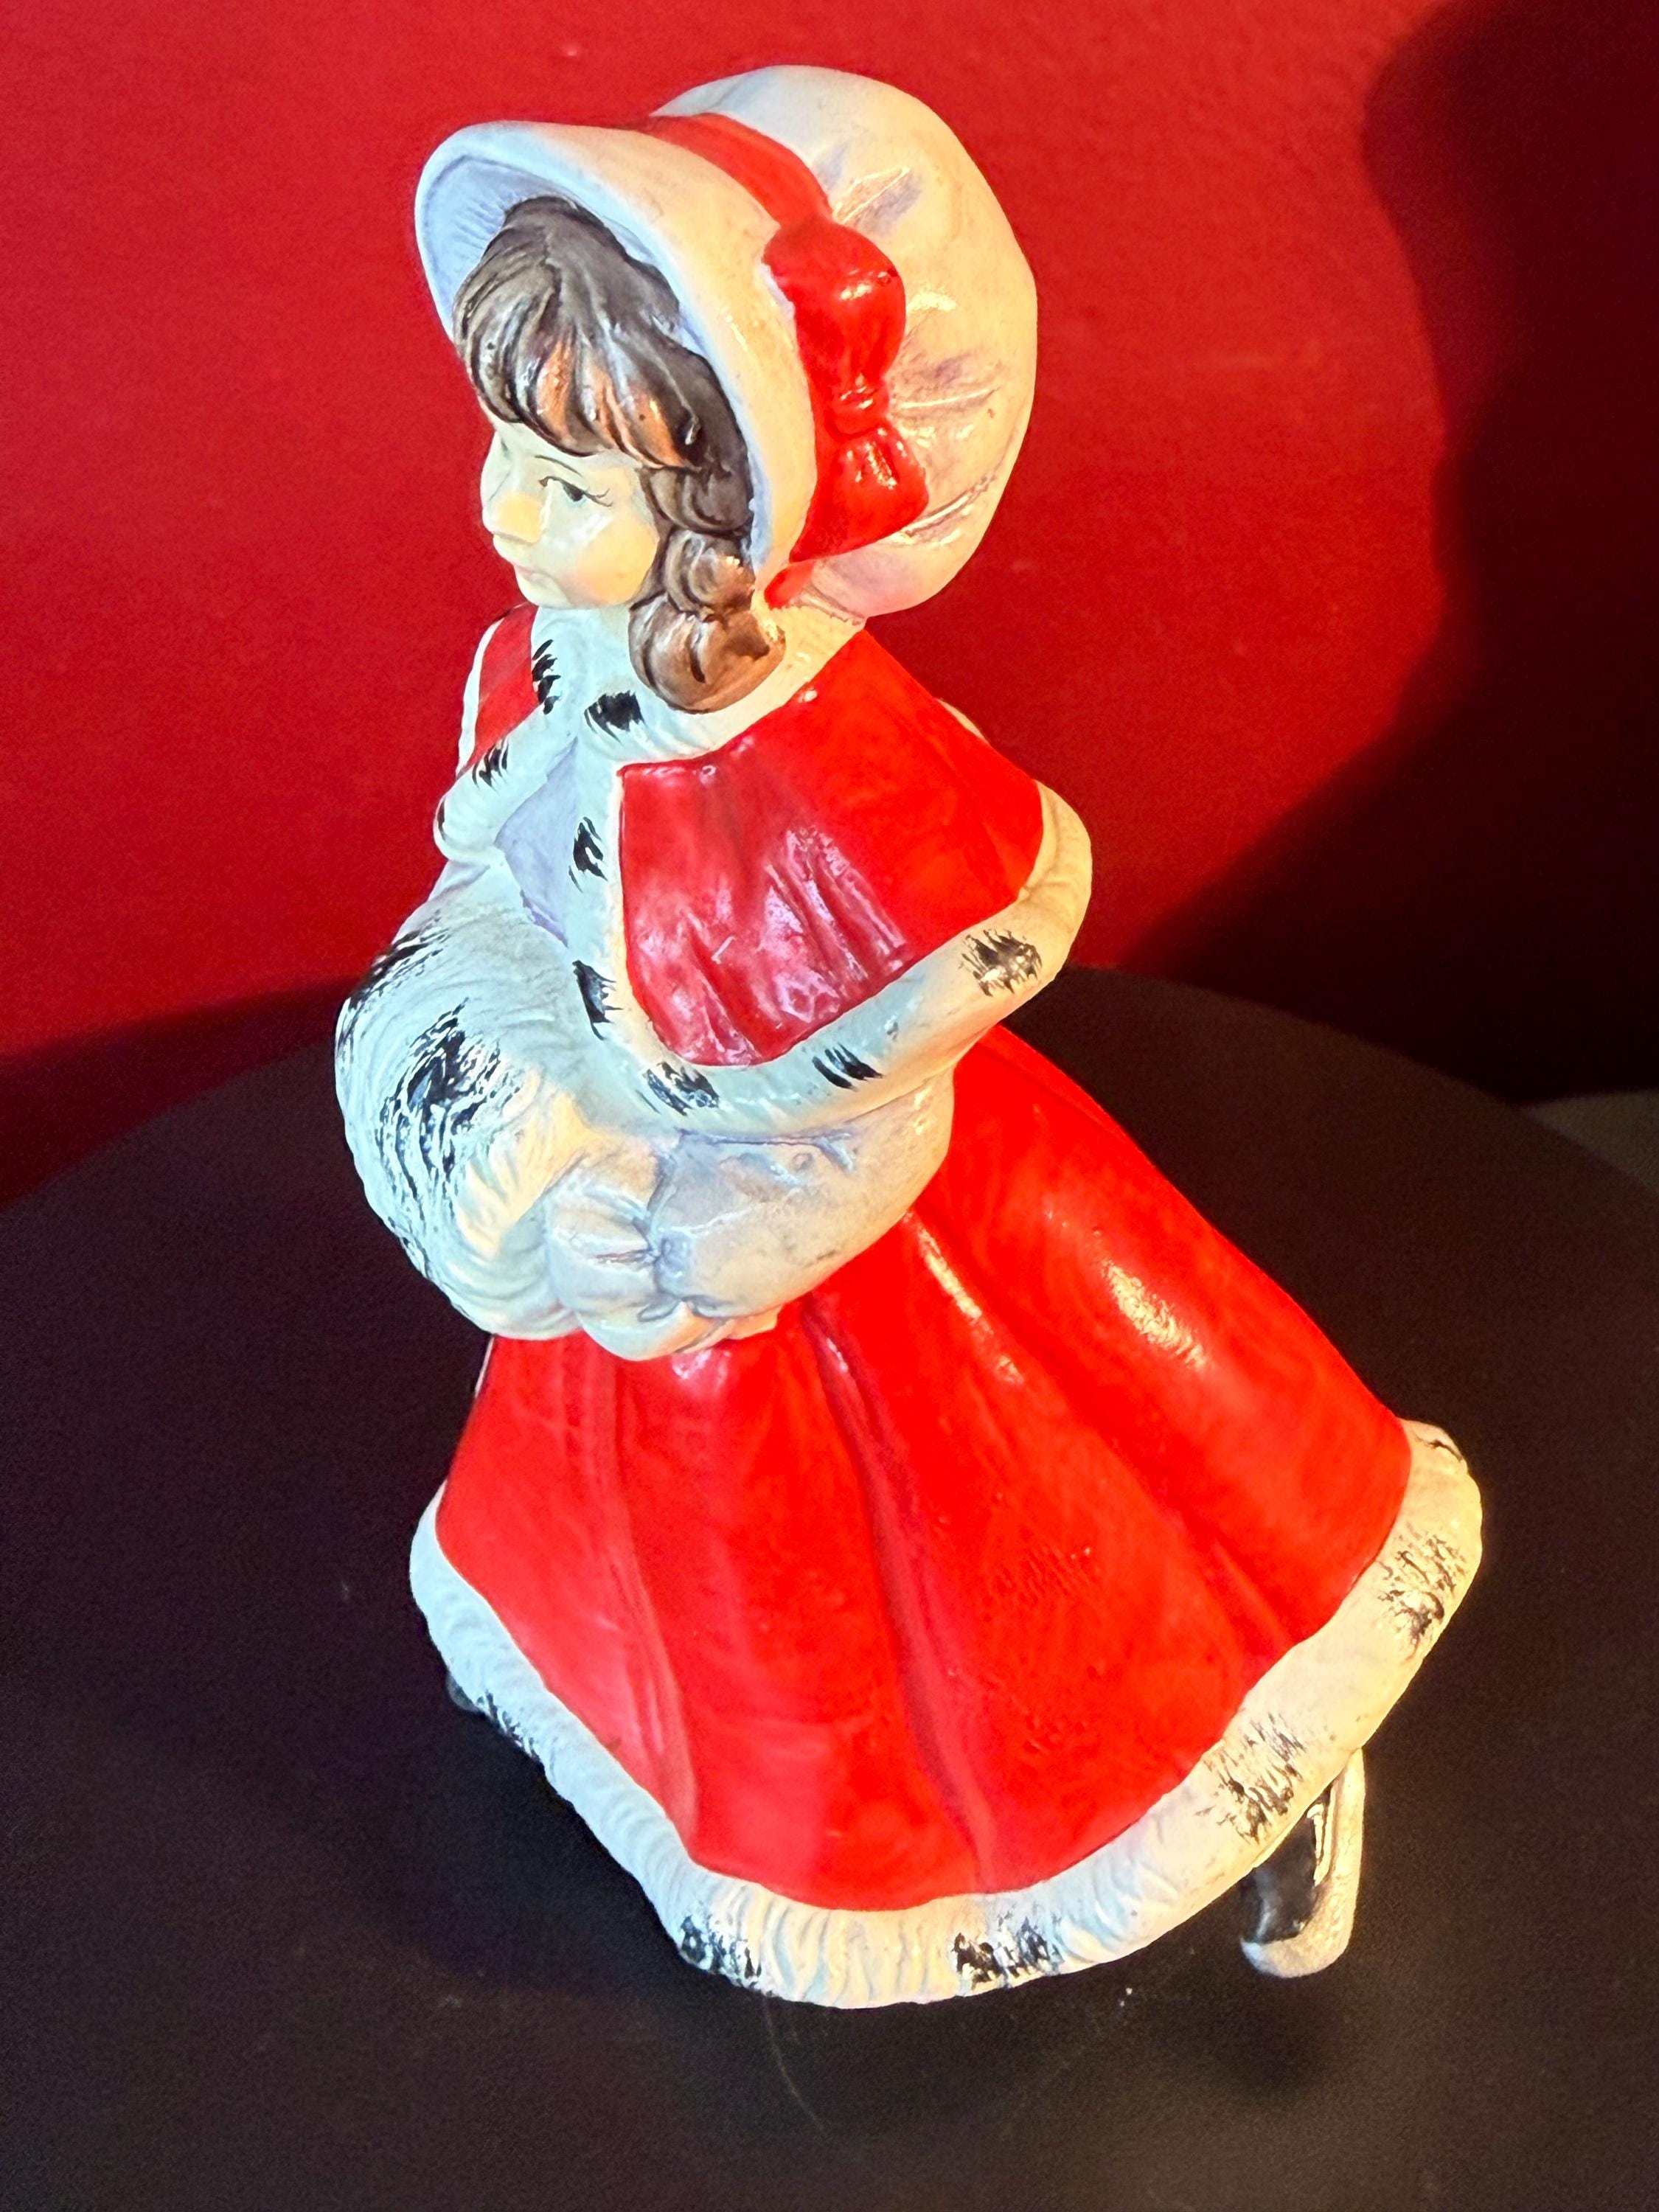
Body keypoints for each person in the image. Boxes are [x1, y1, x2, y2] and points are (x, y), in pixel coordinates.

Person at [336, 66, 1480, 2008]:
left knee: (1036, 1591)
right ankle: (614, 1726)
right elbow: (508, 890)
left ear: (728, 514)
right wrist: (508, 1126)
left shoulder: (832, 776)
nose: (503, 510)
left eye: (573, 482)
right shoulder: (544, 662)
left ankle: (1248, 1786)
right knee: (666, 1578)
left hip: (834, 1261)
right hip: (612, 1232)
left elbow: (858, 1111)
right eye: (505, 443)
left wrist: (693, 1252)